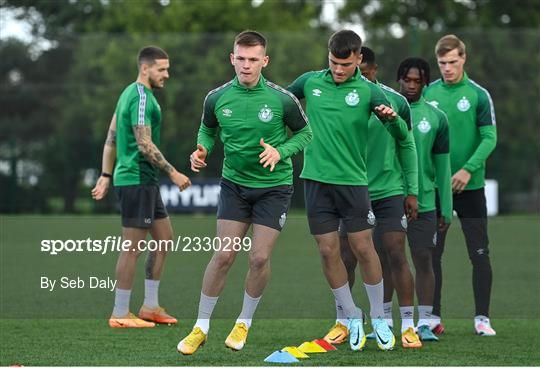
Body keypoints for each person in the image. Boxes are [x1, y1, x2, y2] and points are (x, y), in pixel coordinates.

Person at [177, 30, 312, 355]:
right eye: (241, 58)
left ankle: (243, 323)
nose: (247, 65)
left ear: (264, 61)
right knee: (223, 255)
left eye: (254, 60)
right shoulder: (216, 98)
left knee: (259, 258)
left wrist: (281, 152)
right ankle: (200, 327)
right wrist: (201, 151)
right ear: (232, 58)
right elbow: (207, 130)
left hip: (274, 188)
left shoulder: (282, 99)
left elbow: (306, 133)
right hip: (234, 186)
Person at [287, 30, 409, 351]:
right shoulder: (309, 82)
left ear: (358, 59)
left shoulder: (369, 92)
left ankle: (379, 317)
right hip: (314, 181)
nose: (338, 70)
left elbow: (400, 132)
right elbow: (281, 103)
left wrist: (392, 119)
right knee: (328, 251)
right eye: (333, 62)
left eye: (345, 64)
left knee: (363, 248)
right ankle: (351, 316)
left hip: (353, 182)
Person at [91, 46, 191, 328]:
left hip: (142, 181)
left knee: (164, 240)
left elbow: (111, 137)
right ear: (145, 68)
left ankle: (150, 306)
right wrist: (173, 172)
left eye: (168, 69)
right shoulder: (141, 96)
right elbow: (144, 143)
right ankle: (120, 314)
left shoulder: (127, 93)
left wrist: (105, 174)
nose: (167, 74)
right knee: (131, 249)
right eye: (162, 69)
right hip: (136, 179)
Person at [333, 46, 421, 348]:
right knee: (345, 257)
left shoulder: (395, 102)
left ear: (372, 69)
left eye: (367, 74)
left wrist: (413, 191)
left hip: (389, 190)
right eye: (359, 76)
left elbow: (407, 146)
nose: (364, 82)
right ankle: (343, 321)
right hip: (353, 189)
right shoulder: (341, 99)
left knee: (396, 252)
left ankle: (408, 325)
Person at [424, 34, 497, 336]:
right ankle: (432, 318)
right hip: (437, 190)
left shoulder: (479, 95)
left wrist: (467, 170)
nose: (448, 68)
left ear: (463, 59)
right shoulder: (428, 93)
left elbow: (490, 138)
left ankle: (482, 318)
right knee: (432, 254)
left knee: (478, 253)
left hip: (471, 188)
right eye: (442, 63)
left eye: (453, 62)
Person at [397, 57, 452, 342]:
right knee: (389, 258)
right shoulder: (387, 111)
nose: (411, 85)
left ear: (425, 83)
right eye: (407, 79)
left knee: (423, 257)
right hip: (393, 197)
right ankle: (383, 320)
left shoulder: (436, 117)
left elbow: (443, 166)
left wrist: (448, 208)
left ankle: (426, 321)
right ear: (399, 80)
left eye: (417, 81)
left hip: (427, 200)